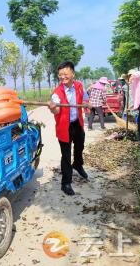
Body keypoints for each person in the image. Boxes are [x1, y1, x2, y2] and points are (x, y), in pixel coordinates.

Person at [48, 61, 88, 196]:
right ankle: (65, 183)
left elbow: (85, 99)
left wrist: (88, 104)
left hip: (77, 123)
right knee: (66, 156)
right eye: (60, 75)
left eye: (65, 74)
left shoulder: (79, 86)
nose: (62, 77)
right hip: (64, 127)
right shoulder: (57, 93)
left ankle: (77, 164)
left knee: (79, 147)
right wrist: (53, 108)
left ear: (72, 74)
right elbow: (57, 110)